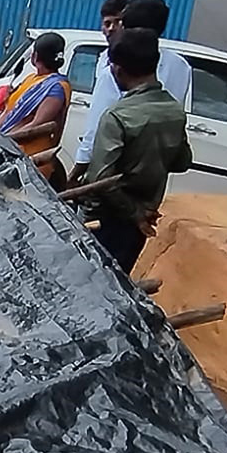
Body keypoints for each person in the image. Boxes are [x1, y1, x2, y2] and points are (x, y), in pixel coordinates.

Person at [80, 28, 192, 273]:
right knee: (119, 282)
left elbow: (100, 179)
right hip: (140, 223)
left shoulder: (117, 116)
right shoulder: (174, 111)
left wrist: (134, 212)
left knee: (89, 280)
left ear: (117, 69)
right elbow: (182, 162)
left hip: (104, 220)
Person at [73, 0, 192, 180]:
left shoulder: (117, 65)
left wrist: (77, 172)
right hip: (154, 176)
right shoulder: (181, 66)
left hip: (113, 172)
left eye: (120, 22)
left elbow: (97, 128)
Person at [0, 32, 72, 189]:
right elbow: (8, 112)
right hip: (5, 151)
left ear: (35, 56)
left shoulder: (56, 88)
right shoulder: (31, 79)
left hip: (30, 160)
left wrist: (4, 141)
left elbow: (37, 125)